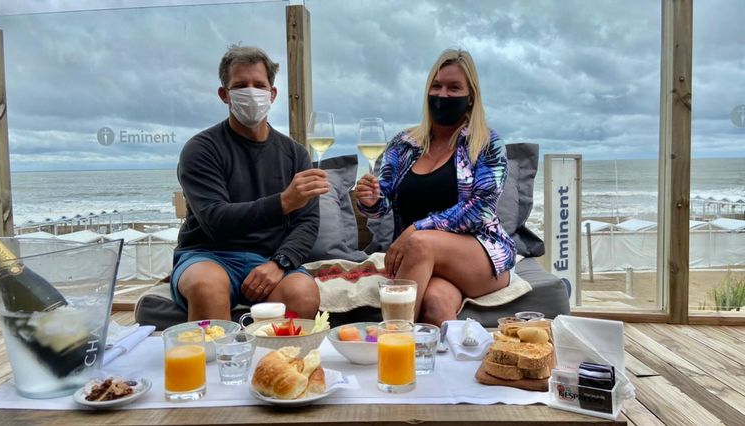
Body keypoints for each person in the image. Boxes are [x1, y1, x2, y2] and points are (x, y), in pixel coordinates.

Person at [355, 48, 516, 326]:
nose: (443, 95)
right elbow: (384, 201)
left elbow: (480, 209)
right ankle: (458, 353)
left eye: (454, 88)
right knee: (436, 304)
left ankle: (392, 340)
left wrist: (416, 229)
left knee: (421, 243)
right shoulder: (404, 144)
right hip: (421, 260)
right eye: (437, 86)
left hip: (479, 254)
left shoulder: (487, 144)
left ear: (471, 97)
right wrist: (370, 200)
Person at [172, 45, 329, 321]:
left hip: (270, 258)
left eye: (259, 85)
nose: (251, 93)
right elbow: (215, 219)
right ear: (224, 94)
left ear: (272, 93)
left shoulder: (295, 154)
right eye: (240, 86)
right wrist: (283, 202)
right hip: (208, 254)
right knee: (208, 286)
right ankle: (214, 350)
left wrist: (280, 262)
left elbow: (307, 222)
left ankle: (280, 352)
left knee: (303, 293)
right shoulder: (201, 149)